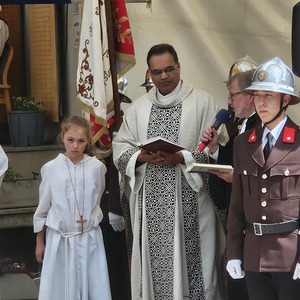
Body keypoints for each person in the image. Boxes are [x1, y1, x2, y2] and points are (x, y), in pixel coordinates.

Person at [113, 43, 223, 300]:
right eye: (157, 71)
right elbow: (120, 149)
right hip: (149, 209)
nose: (164, 76)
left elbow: (219, 152)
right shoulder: (138, 109)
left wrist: (181, 156)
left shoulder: (202, 102)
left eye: (169, 69)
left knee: (194, 275)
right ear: (149, 74)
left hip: (191, 207)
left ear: (179, 67)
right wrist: (141, 156)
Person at [226, 57, 300, 300]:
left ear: (285, 100)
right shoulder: (242, 143)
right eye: (257, 95)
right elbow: (236, 206)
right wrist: (234, 252)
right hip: (253, 255)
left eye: (268, 95)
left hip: (291, 257)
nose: (261, 102)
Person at [33, 115, 111, 300]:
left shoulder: (97, 168)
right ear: (62, 137)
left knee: (93, 287)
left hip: (89, 239)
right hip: (60, 241)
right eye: (70, 140)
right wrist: (40, 240)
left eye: (81, 141)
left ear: (87, 141)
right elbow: (43, 208)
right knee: (59, 290)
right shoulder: (50, 168)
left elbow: (97, 198)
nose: (75, 145)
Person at [201, 55, 258, 300]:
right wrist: (214, 149)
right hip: (239, 226)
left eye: (233, 95)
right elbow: (234, 161)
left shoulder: (263, 128)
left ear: (250, 96)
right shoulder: (240, 126)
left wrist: (239, 177)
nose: (229, 101)